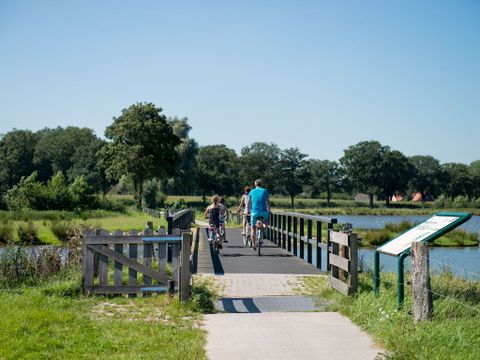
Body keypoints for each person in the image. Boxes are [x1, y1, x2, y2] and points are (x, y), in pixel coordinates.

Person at [247, 179, 270, 250]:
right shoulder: (265, 191)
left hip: (254, 213)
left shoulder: (252, 191)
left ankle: (254, 245)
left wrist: (248, 211)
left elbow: (248, 203)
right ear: (261, 184)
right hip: (264, 212)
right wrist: (269, 210)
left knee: (253, 228)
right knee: (266, 220)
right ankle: (265, 229)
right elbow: (268, 202)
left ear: (255, 184)